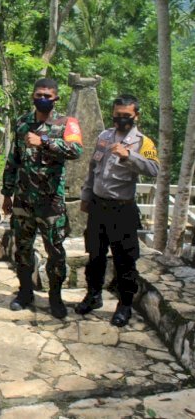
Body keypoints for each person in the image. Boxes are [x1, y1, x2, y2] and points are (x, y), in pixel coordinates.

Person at [2, 78, 83, 319]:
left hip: (51, 204)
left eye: (48, 95)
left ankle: (55, 297)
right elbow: (13, 160)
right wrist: (7, 193)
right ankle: (25, 291)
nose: (43, 99)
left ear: (56, 98)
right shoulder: (22, 123)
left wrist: (44, 142)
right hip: (23, 201)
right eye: (39, 95)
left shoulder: (66, 123)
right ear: (33, 97)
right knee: (22, 250)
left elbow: (76, 150)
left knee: (55, 253)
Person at [76, 94, 158, 327]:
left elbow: (154, 169)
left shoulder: (143, 142)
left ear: (135, 116)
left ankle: (124, 305)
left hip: (122, 210)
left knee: (124, 260)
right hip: (98, 206)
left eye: (126, 116)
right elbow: (93, 167)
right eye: (117, 115)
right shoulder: (104, 136)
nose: (120, 120)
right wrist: (85, 195)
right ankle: (93, 296)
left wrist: (129, 156)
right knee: (95, 255)